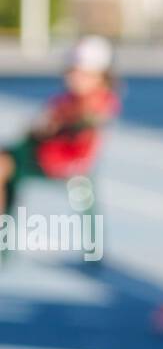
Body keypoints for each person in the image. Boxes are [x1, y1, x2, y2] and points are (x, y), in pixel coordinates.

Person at [0, 35, 120, 219]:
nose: (73, 77)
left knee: (3, 165)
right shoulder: (69, 99)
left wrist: (56, 126)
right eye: (71, 71)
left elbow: (82, 129)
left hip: (60, 157)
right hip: (43, 149)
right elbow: (45, 121)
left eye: (81, 73)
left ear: (99, 76)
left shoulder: (97, 103)